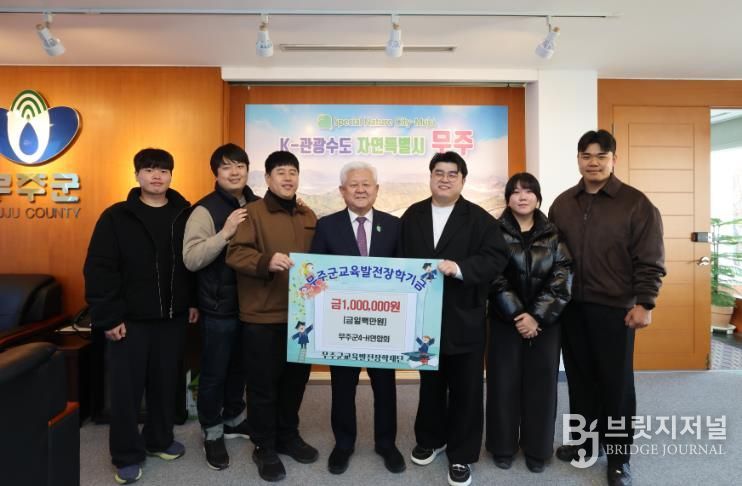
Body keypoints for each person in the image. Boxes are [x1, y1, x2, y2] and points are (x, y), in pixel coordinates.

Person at [549, 130, 666, 486]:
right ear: (578, 159)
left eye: (601, 156)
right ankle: (586, 444)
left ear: (614, 159)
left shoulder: (636, 204)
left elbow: (650, 259)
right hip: (572, 308)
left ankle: (618, 459)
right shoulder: (563, 203)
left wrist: (645, 302)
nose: (593, 162)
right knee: (580, 381)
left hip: (616, 310)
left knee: (616, 386)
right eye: (586, 156)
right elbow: (550, 256)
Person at [84, 148, 199, 485]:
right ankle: (126, 455)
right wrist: (108, 317)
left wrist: (192, 301)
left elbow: (193, 264)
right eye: (149, 169)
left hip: (173, 318)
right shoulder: (116, 216)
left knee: (165, 385)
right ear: (137, 175)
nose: (156, 176)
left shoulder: (185, 213)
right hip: (129, 321)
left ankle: (159, 440)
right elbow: (99, 269)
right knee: (126, 391)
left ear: (171, 175)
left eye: (163, 170)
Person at [398, 151, 509, 486]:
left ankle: (462, 455)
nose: (444, 179)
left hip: (465, 316)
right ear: (430, 176)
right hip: (423, 318)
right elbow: (399, 258)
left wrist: (460, 268)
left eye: (452, 174)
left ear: (462, 180)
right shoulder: (413, 214)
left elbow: (496, 259)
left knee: (466, 389)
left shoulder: (479, 219)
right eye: (439, 172)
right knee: (430, 383)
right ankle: (431, 438)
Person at [225, 150, 318, 482]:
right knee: (262, 386)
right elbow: (236, 254)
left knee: (295, 383)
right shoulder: (251, 213)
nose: (288, 178)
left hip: (302, 317)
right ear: (267, 178)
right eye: (281, 172)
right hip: (263, 316)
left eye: (293, 172)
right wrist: (266, 261)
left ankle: (287, 436)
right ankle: (264, 446)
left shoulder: (308, 214)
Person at [309, 161, 405, 475]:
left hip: (383, 326)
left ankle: (386, 444)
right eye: (354, 184)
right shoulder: (327, 226)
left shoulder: (394, 225)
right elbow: (316, 275)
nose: (360, 190)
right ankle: (344, 444)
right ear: (342, 190)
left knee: (385, 387)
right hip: (342, 325)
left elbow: (405, 273)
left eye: (366, 184)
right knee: (342, 386)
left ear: (377, 189)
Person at [486, 172, 572, 474]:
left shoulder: (554, 234)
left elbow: (563, 275)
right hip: (504, 320)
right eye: (515, 191)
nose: (522, 197)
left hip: (545, 323)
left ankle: (538, 449)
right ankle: (503, 446)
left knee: (542, 386)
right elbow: (492, 276)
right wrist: (517, 313)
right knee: (502, 384)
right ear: (507, 198)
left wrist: (536, 315)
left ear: (538, 198)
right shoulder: (493, 232)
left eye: (528, 191)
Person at [183, 143, 258, 470]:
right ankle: (212, 431)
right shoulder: (204, 210)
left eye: (240, 165)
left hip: (252, 304)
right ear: (216, 172)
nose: (235, 172)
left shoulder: (258, 205)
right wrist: (225, 232)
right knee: (214, 373)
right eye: (227, 166)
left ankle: (233, 418)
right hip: (218, 307)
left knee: (241, 368)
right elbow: (191, 259)